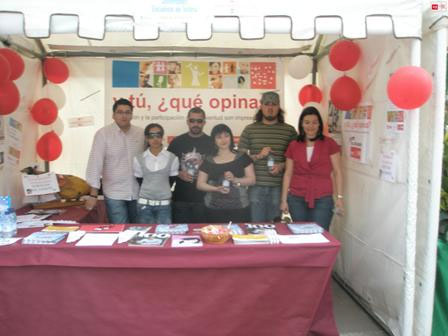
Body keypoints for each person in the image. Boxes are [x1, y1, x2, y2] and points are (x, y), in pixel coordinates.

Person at [280, 106, 344, 230]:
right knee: (300, 233)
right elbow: (288, 173)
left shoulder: (330, 144)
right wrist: (284, 200)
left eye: (314, 122)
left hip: (323, 198)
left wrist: (339, 197)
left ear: (319, 124)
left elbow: (337, 172)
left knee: (319, 233)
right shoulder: (294, 145)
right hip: (296, 198)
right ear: (301, 124)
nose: (311, 126)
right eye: (307, 122)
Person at [238, 91, 297, 223]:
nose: (270, 108)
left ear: (279, 107)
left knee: (275, 229)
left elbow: (297, 160)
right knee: (256, 229)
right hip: (255, 188)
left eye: (274, 104)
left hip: (279, 188)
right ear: (261, 106)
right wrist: (259, 155)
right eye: (267, 104)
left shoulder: (290, 131)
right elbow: (239, 160)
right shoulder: (249, 130)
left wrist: (281, 166)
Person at [85, 98, 144, 223]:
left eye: (127, 112)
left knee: (139, 231)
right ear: (113, 115)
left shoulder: (141, 133)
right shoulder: (103, 134)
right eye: (120, 112)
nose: (124, 116)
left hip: (138, 192)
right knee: (120, 232)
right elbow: (95, 164)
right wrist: (93, 194)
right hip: (114, 193)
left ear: (132, 115)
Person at [197, 124, 255, 223]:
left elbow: (252, 180)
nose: (223, 140)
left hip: (239, 208)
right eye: (219, 137)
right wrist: (216, 189)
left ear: (231, 138)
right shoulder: (208, 160)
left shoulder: (242, 157)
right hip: (213, 209)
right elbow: (200, 184)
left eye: (226, 136)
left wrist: (235, 179)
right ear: (214, 140)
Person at [167, 107, 215, 223]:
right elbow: (166, 167)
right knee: (180, 235)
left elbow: (219, 169)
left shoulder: (212, 143)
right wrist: (178, 173)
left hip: (205, 200)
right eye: (192, 121)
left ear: (204, 123)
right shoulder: (177, 142)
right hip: (181, 199)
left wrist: (205, 168)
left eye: (199, 121)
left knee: (203, 235)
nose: (195, 124)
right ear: (187, 121)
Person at [133, 123, 179, 224]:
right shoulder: (139, 159)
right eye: (151, 136)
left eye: (158, 135)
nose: (155, 139)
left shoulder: (172, 158)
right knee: (145, 236)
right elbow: (139, 180)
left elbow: (172, 179)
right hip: (144, 205)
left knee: (164, 234)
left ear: (162, 137)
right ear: (146, 138)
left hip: (164, 205)